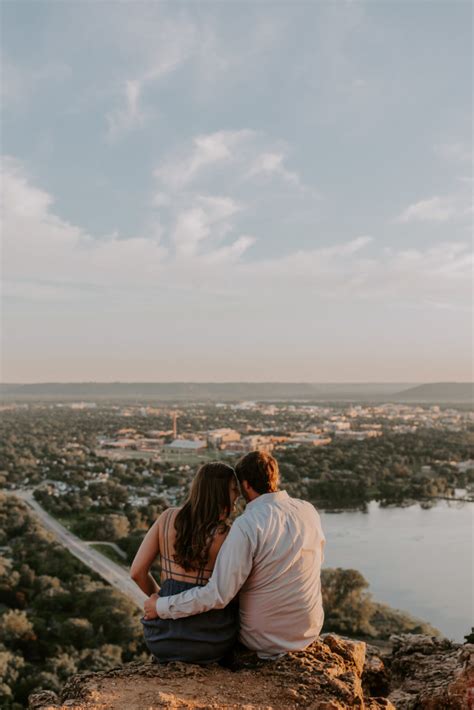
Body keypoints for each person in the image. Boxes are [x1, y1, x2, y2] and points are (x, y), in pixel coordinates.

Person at [144, 451, 326, 660]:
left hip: (263, 640)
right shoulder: (308, 511)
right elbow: (316, 562)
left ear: (246, 484)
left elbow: (219, 594)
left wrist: (160, 606)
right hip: (309, 630)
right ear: (275, 478)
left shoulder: (247, 525)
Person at [131, 461, 240, 663]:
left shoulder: (166, 518)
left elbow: (137, 572)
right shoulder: (227, 534)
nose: (237, 498)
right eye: (234, 490)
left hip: (161, 637)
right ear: (219, 492)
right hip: (210, 640)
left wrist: (158, 600)